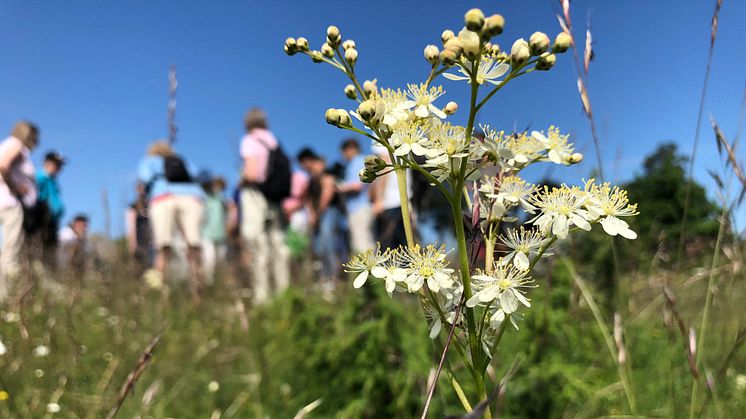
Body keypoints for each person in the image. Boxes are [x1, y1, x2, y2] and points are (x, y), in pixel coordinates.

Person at [137, 141, 204, 301]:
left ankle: (161, 295)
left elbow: (144, 179)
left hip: (163, 198)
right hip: (192, 198)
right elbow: (196, 175)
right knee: (193, 247)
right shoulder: (183, 161)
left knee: (163, 248)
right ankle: (197, 293)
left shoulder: (149, 161)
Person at [239, 108, 290, 304]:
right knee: (278, 244)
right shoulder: (272, 140)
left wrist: (242, 179)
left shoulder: (249, 140)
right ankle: (284, 293)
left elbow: (251, 174)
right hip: (274, 198)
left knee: (257, 245)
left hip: (255, 196)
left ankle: (262, 297)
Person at [0, 121, 38, 300]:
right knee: (11, 250)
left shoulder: (6, 144)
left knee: (8, 250)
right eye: (34, 135)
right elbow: (3, 166)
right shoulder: (18, 146)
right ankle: (7, 296)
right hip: (10, 204)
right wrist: (15, 188)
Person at [297, 148, 345, 283]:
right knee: (319, 246)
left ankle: (333, 278)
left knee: (328, 243)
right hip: (319, 214)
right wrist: (312, 214)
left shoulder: (326, 172)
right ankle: (325, 278)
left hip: (328, 211)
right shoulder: (312, 179)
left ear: (306, 161)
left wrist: (317, 213)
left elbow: (328, 192)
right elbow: (308, 198)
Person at [337, 138, 374, 254]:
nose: (343, 155)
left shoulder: (357, 161)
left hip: (359, 207)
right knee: (362, 239)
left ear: (350, 149)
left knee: (362, 241)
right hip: (357, 208)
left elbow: (358, 185)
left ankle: (370, 268)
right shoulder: (355, 163)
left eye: (344, 152)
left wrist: (341, 187)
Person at [371, 144, 411, 250]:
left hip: (389, 202)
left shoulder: (381, 130)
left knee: (388, 247)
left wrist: (379, 198)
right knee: (404, 246)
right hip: (404, 199)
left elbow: (384, 162)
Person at [33, 150, 66, 269]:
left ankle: (49, 275)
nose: (59, 168)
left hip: (52, 221)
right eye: (56, 164)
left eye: (60, 165)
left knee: (51, 249)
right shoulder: (39, 177)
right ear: (47, 162)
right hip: (42, 219)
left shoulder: (53, 181)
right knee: (41, 249)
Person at [201, 176, 230, 284]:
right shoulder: (205, 197)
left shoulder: (223, 200)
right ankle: (209, 282)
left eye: (220, 186)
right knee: (209, 259)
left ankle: (219, 282)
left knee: (221, 259)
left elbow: (226, 217)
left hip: (221, 234)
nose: (218, 188)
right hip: (206, 233)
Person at [125, 183, 153, 271]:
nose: (142, 191)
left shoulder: (152, 205)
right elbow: (130, 225)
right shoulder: (133, 206)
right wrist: (132, 242)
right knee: (138, 266)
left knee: (151, 265)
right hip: (139, 241)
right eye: (140, 188)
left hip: (150, 241)